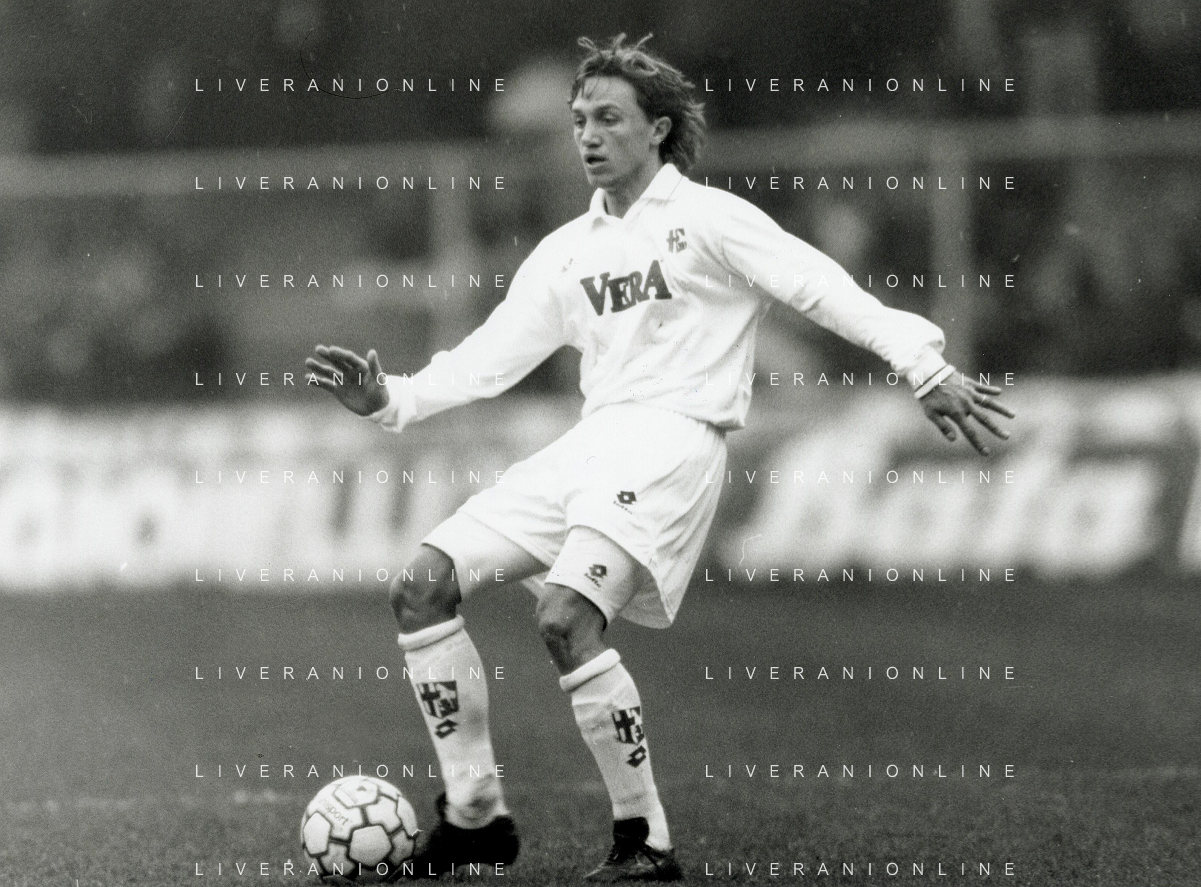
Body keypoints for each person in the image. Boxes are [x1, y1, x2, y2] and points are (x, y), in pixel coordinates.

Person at [305, 34, 1012, 882]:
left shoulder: (709, 219)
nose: (588, 135)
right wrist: (391, 399)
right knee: (420, 586)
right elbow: (488, 358)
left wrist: (921, 364)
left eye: (608, 118)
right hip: (593, 440)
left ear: (659, 129)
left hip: (674, 441)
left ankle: (645, 839)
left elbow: (820, 286)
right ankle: (475, 815)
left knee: (564, 618)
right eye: (579, 120)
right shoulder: (567, 249)